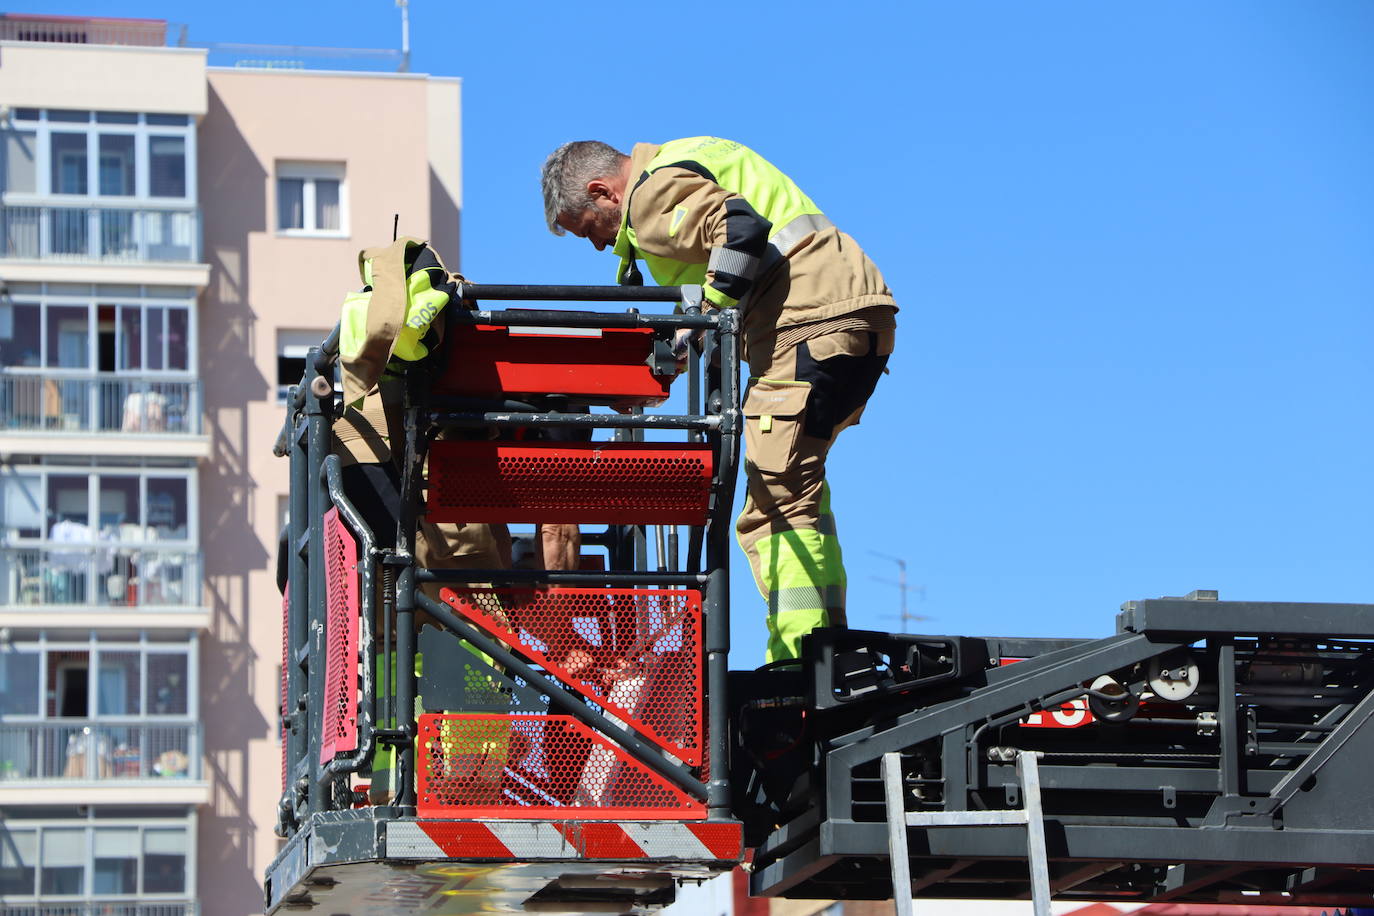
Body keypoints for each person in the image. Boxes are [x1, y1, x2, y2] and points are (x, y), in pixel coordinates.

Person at [541, 137, 897, 664]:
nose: (596, 245)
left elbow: (740, 228)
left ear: (603, 193)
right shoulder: (682, 159)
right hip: (845, 316)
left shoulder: (648, 196)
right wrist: (696, 331)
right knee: (797, 494)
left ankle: (801, 661)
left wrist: (708, 309)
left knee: (773, 509)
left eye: (589, 228)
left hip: (808, 322)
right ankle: (829, 644)